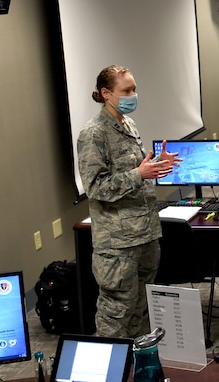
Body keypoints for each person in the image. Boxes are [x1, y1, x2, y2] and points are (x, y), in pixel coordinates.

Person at [77, 65, 181, 338]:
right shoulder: (94, 134)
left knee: (140, 309)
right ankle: (108, 377)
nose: (133, 95)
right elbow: (95, 187)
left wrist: (157, 165)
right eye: (127, 90)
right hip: (117, 245)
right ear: (106, 93)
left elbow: (133, 169)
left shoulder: (128, 123)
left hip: (144, 234)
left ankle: (134, 369)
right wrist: (139, 174)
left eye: (134, 89)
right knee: (116, 313)